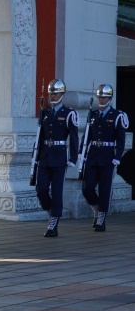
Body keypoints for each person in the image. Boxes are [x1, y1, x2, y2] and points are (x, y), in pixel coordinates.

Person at [81, 84, 129, 232]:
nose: (101, 100)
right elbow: (86, 136)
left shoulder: (116, 116)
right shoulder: (93, 114)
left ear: (110, 98)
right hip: (93, 155)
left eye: (104, 97)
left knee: (105, 188)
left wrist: (117, 156)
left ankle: (101, 217)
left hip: (108, 156)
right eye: (99, 97)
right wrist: (80, 154)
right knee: (87, 188)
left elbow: (121, 139)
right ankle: (96, 208)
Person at [35, 79, 79, 237]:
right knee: (41, 190)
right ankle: (50, 211)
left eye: (55, 93)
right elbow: (40, 138)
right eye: (51, 93)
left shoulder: (68, 114)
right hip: (45, 156)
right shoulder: (45, 113)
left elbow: (74, 138)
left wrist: (73, 158)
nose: (52, 96)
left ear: (62, 94)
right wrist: (36, 157)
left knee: (57, 190)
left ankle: (53, 223)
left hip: (60, 157)